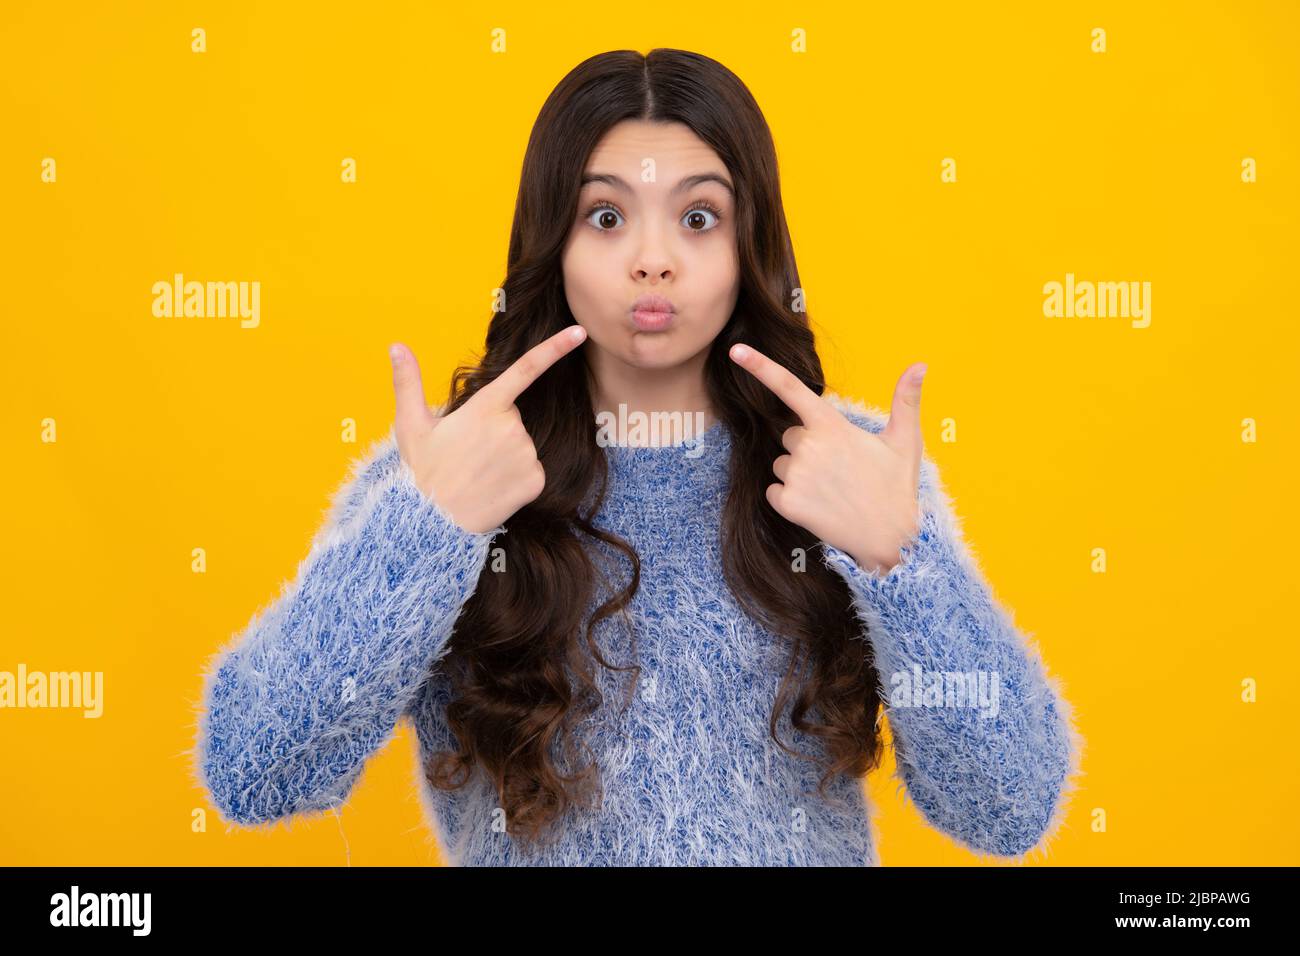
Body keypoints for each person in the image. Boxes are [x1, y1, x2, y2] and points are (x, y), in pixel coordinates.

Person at [191, 48, 1083, 866]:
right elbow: (256, 772)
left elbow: (1005, 811)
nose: (653, 261)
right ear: (554, 241)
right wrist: (427, 533)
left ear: (748, 246)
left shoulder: (848, 474)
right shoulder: (448, 475)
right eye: (607, 214)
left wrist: (904, 560)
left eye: (699, 216)